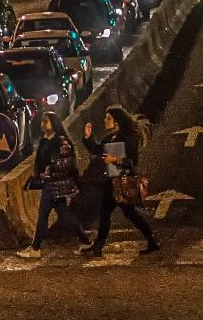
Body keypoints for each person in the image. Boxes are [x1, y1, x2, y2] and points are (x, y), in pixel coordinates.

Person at [82, 106, 158, 257]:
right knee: (106, 213)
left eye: (108, 118)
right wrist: (87, 138)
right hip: (111, 181)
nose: (105, 121)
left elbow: (131, 162)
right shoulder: (110, 138)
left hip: (123, 182)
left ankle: (152, 240)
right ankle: (98, 247)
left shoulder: (128, 138)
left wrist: (114, 159)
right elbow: (97, 149)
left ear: (117, 121)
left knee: (129, 214)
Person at [25, 112, 89, 252]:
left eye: (46, 121)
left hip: (55, 184)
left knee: (43, 216)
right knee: (64, 214)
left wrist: (51, 169)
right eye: (42, 121)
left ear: (53, 123)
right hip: (49, 183)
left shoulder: (61, 141)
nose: (43, 124)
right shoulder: (44, 141)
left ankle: (35, 248)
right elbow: (40, 162)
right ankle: (85, 240)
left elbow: (67, 162)